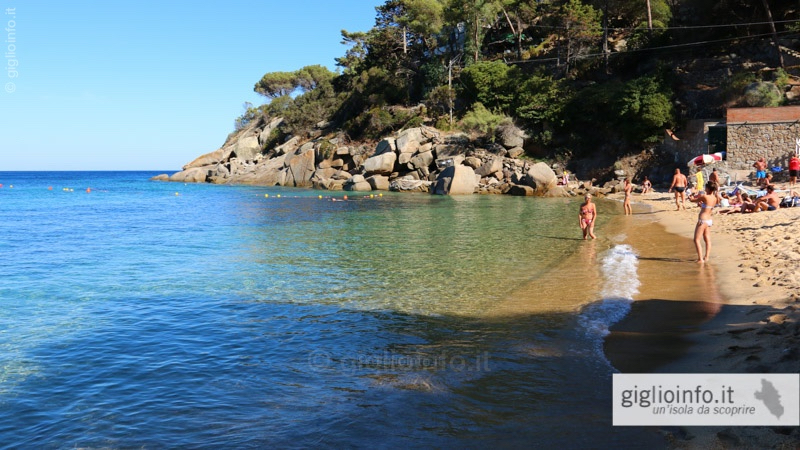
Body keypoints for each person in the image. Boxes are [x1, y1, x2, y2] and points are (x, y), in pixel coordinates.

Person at [689, 181, 718, 263]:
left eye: (705, 187)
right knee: (707, 239)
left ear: (708, 188)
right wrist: (701, 205)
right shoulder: (715, 198)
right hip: (709, 220)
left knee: (696, 239)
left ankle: (700, 259)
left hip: (702, 220)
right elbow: (707, 207)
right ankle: (706, 257)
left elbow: (693, 200)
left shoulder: (704, 196)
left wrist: (691, 197)